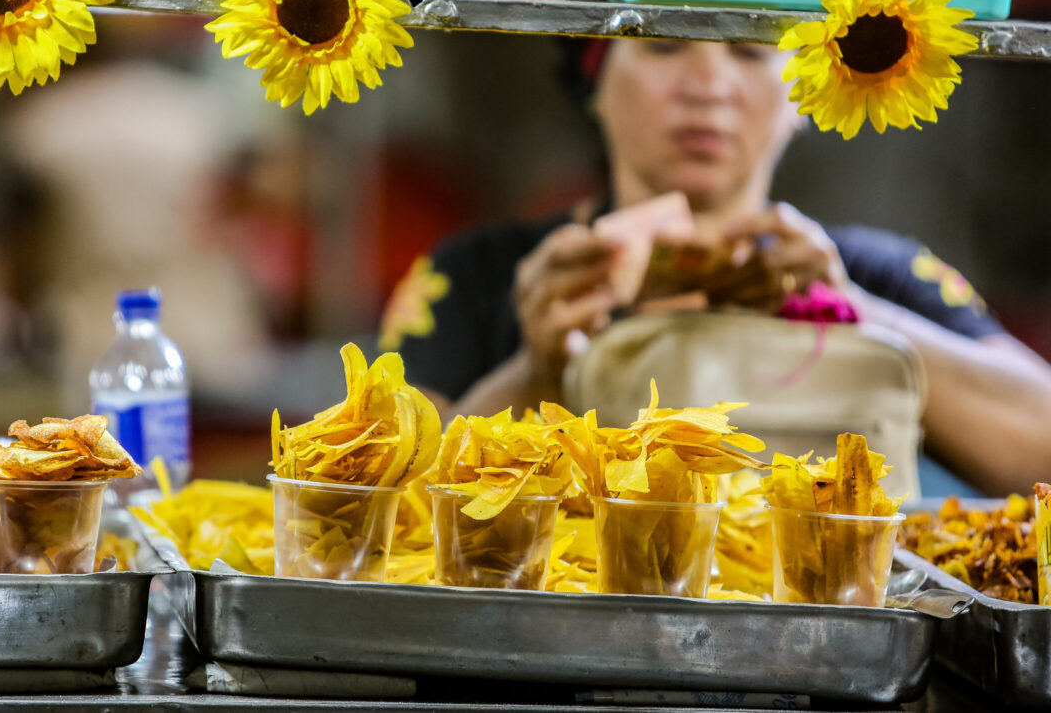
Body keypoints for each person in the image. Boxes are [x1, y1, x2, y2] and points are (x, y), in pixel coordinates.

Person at [383, 38, 1051, 496]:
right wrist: (535, 370)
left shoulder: (882, 277)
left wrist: (854, 311)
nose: (707, 86)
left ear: (804, 94)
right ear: (594, 76)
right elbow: (374, 500)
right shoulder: (479, 275)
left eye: (750, 50)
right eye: (662, 45)